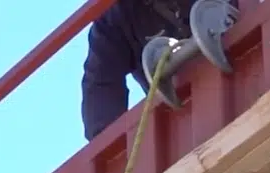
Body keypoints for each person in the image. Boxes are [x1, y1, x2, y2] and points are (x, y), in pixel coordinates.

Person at [80, 0, 196, 140]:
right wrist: (113, 152)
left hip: (226, 77)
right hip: (184, 119)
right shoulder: (114, 18)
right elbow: (100, 85)